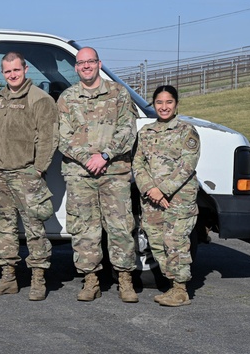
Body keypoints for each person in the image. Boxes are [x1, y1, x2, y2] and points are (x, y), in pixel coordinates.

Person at [57, 47, 138, 302]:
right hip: (80, 174)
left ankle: (125, 280)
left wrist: (104, 156)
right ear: (76, 68)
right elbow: (63, 137)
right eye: (81, 63)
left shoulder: (118, 93)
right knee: (84, 228)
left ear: (99, 64)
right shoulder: (67, 98)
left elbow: (127, 129)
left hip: (114, 172)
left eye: (90, 61)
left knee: (120, 227)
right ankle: (90, 280)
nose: (86, 66)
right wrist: (87, 159)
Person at [0, 52, 58, 300]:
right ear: (2, 73)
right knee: (1, 227)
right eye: (7, 71)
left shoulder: (39, 99)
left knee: (34, 228)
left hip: (26, 173)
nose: (12, 75)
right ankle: (8, 278)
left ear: (25, 69)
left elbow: (48, 138)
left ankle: (38, 279)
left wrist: (38, 169)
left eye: (16, 70)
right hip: (0, 174)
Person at [134, 85, 200, 307]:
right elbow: (138, 164)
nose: (164, 107)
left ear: (176, 104)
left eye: (169, 102)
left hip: (178, 199)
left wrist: (162, 189)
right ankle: (172, 285)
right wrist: (150, 189)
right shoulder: (145, 132)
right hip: (151, 199)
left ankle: (181, 290)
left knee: (175, 242)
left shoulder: (186, 131)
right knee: (156, 242)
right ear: (154, 105)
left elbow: (187, 165)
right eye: (159, 103)